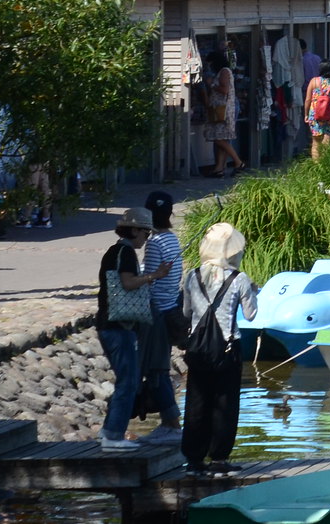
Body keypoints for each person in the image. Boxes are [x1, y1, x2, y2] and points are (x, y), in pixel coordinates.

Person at [180, 222, 259, 476]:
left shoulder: (192, 276)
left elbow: (186, 313)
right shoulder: (239, 279)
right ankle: (219, 459)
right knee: (225, 403)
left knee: (196, 401)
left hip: (198, 347)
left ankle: (194, 460)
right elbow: (251, 314)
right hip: (227, 346)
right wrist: (253, 292)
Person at [97, 206, 169, 450]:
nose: (146, 238)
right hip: (116, 326)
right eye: (145, 233)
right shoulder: (124, 252)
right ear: (134, 229)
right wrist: (155, 275)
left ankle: (109, 430)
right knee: (128, 381)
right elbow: (127, 283)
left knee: (127, 379)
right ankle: (113, 436)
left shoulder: (116, 251)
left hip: (111, 324)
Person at [136, 191, 183, 438]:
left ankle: (171, 422)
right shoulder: (172, 239)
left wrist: (135, 274)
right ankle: (170, 419)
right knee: (159, 367)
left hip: (157, 312)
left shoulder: (154, 243)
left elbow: (151, 278)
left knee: (157, 369)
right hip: (171, 307)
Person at [204, 59, 244, 176]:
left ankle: (238, 162)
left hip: (223, 110)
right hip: (222, 109)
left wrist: (211, 84)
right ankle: (219, 168)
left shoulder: (224, 72)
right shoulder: (224, 72)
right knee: (223, 138)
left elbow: (224, 90)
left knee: (218, 138)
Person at [304, 59, 330, 160]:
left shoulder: (314, 81)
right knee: (327, 142)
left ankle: (316, 167)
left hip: (315, 115)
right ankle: (325, 166)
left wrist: (306, 114)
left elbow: (308, 99)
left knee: (316, 143)